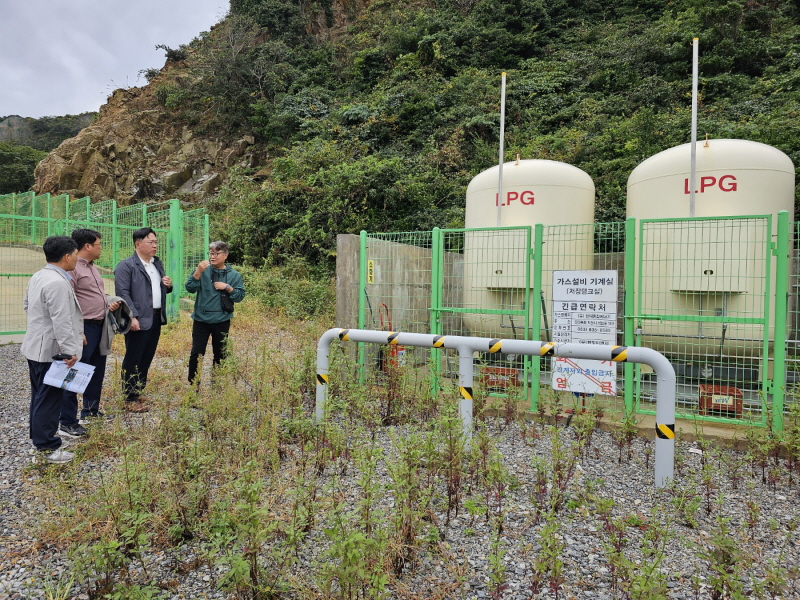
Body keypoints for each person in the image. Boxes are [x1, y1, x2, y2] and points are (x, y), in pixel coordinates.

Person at [21, 236, 83, 464]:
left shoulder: (39, 275)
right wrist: (69, 351)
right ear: (67, 256)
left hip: (35, 346)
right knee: (49, 399)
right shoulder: (57, 282)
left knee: (40, 396)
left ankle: (40, 440)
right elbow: (61, 320)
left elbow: (27, 306)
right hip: (51, 351)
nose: (77, 258)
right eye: (75, 254)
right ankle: (47, 446)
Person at [62, 229, 121, 428]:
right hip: (84, 327)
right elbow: (68, 301)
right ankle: (67, 420)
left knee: (95, 369)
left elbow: (93, 296)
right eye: (98, 244)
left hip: (99, 326)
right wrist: (76, 332)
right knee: (74, 371)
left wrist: (108, 303)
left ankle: (90, 411)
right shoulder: (73, 269)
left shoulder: (93, 268)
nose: (101, 248)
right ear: (87, 246)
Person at [114, 227, 172, 412]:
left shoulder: (156, 264)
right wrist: (132, 316)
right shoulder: (126, 266)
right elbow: (122, 293)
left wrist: (168, 286)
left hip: (155, 317)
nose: (155, 245)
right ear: (138, 244)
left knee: (147, 356)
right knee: (134, 357)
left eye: (156, 242)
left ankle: (138, 390)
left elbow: (157, 289)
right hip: (138, 319)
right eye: (151, 242)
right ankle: (129, 398)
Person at [185, 241, 245, 384]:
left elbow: (239, 296)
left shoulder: (233, 275)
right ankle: (193, 385)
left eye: (217, 253)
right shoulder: (202, 270)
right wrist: (198, 272)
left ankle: (217, 383)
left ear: (225, 255)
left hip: (222, 320)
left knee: (220, 353)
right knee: (196, 353)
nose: (213, 256)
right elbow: (190, 288)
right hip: (201, 320)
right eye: (211, 253)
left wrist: (228, 287)